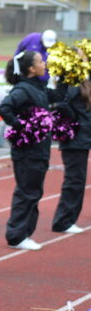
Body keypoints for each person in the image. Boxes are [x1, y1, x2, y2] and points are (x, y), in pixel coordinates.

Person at [0, 50, 64, 250]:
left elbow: (60, 96)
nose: (44, 64)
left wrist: (63, 75)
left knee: (33, 192)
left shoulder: (38, 87)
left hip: (39, 149)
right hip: (28, 151)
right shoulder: (23, 89)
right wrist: (22, 127)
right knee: (27, 192)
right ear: (31, 69)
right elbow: (4, 108)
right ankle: (17, 235)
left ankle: (25, 233)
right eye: (41, 62)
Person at [51, 50, 90, 235]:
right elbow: (62, 104)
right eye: (82, 56)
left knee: (78, 179)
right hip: (76, 138)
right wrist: (76, 121)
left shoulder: (81, 79)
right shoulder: (72, 81)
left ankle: (68, 219)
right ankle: (63, 221)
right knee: (74, 180)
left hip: (82, 137)